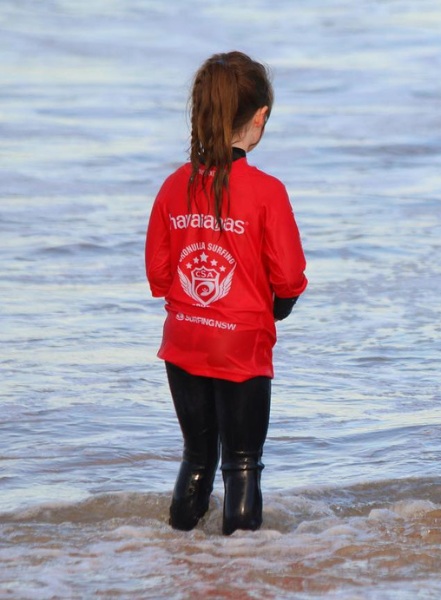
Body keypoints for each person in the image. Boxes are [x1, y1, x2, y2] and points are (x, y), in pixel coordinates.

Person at [145, 51, 308, 535]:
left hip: (184, 340)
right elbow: (290, 276)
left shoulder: (174, 185)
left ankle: (178, 545)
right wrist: (272, 311)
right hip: (240, 345)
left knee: (197, 455)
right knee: (241, 464)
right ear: (259, 119)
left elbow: (158, 274)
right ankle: (242, 568)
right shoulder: (267, 191)